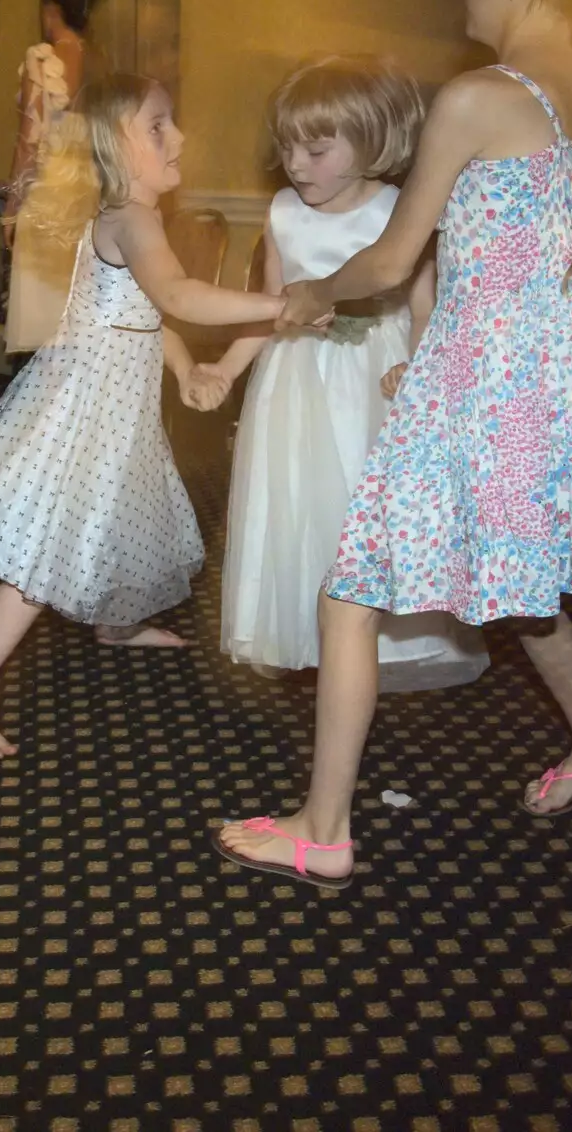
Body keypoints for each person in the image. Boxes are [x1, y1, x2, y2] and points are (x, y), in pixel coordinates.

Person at [216, 0, 572, 886]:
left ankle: (323, 831)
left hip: (489, 387)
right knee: (518, 583)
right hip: (554, 386)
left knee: (348, 595)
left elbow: (394, 259)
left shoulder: (481, 94)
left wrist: (315, 292)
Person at [0, 74, 283, 760]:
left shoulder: (132, 212)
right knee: (46, 548)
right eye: (158, 127)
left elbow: (149, 315)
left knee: (123, 513)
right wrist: (279, 305)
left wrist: (189, 366)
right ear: (113, 146)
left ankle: (115, 623)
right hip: (81, 406)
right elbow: (181, 296)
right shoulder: (131, 218)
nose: (180, 137)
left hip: (116, 405)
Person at [193, 56, 489, 688]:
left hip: (371, 383)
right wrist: (224, 366)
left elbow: (423, 307)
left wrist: (416, 366)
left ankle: (381, 641)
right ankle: (297, 628)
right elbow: (272, 311)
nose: (296, 165)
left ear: (372, 140)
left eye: (317, 149)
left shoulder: (401, 213)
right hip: (294, 385)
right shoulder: (281, 212)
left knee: (360, 508)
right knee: (296, 503)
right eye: (287, 148)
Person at [0, 0, 97, 356]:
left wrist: (10, 207)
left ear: (49, 6)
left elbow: (29, 142)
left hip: (50, 198)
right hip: (90, 195)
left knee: (46, 335)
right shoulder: (100, 61)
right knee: (82, 325)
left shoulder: (42, 59)